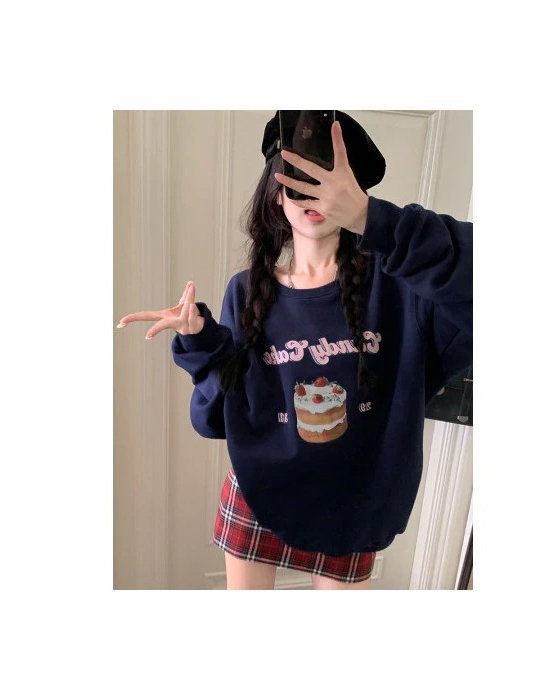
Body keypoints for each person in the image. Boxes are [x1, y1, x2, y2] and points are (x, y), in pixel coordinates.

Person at [117, 111, 473, 590]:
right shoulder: (247, 291)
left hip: (356, 504)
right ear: (276, 193)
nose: (313, 195)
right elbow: (218, 418)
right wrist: (201, 343)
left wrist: (375, 220)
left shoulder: (401, 286)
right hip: (257, 494)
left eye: (329, 181)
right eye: (298, 181)